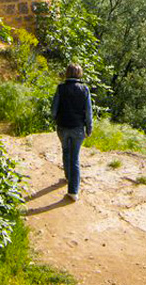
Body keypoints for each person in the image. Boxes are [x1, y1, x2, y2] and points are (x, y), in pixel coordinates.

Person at [51, 63, 93, 201]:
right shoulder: (84, 89)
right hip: (78, 128)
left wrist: (56, 119)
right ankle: (73, 191)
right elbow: (88, 112)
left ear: (67, 73)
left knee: (65, 151)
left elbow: (53, 110)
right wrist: (89, 128)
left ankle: (68, 177)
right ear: (79, 74)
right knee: (75, 157)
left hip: (63, 126)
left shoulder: (61, 88)